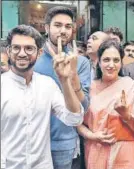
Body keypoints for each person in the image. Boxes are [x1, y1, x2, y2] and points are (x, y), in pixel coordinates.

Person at [1, 25, 84, 169]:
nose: (22, 53)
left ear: (39, 53)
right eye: (16, 48)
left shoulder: (47, 85)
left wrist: (64, 80)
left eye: (29, 48)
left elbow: (74, 118)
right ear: (8, 51)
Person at [33, 6, 91, 169]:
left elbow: (84, 107)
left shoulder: (81, 62)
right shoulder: (33, 58)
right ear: (46, 28)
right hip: (32, 142)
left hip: (64, 143)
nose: (63, 31)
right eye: (57, 25)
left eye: (68, 26)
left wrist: (73, 76)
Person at [77, 39, 134, 169]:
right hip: (96, 148)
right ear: (98, 62)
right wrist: (93, 136)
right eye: (106, 60)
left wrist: (125, 114)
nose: (111, 65)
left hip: (125, 150)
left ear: (121, 63)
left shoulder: (130, 85)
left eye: (116, 60)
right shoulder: (88, 87)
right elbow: (76, 121)